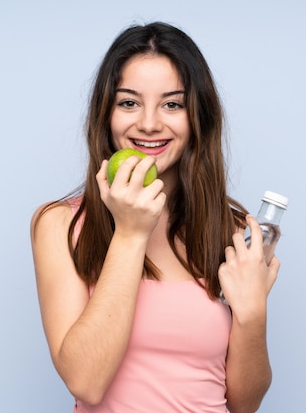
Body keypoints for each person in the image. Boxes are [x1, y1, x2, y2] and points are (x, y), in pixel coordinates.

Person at [30, 21, 280, 413]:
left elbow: (244, 404)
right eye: (128, 102)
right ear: (106, 115)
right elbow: (85, 381)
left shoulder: (229, 230)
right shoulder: (61, 225)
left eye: (172, 104)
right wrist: (130, 234)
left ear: (198, 118)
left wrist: (252, 313)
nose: (148, 123)